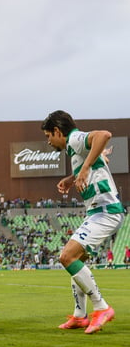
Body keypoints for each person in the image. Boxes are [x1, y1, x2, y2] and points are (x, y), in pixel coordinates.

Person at [41, 110, 125, 334]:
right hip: (99, 211)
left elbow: (103, 134)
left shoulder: (75, 139)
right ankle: (80, 316)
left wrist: (85, 168)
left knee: (67, 257)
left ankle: (102, 307)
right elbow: (98, 158)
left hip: (105, 211)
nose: (49, 141)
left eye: (49, 136)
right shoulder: (73, 147)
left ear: (58, 131)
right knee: (76, 260)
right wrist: (73, 178)